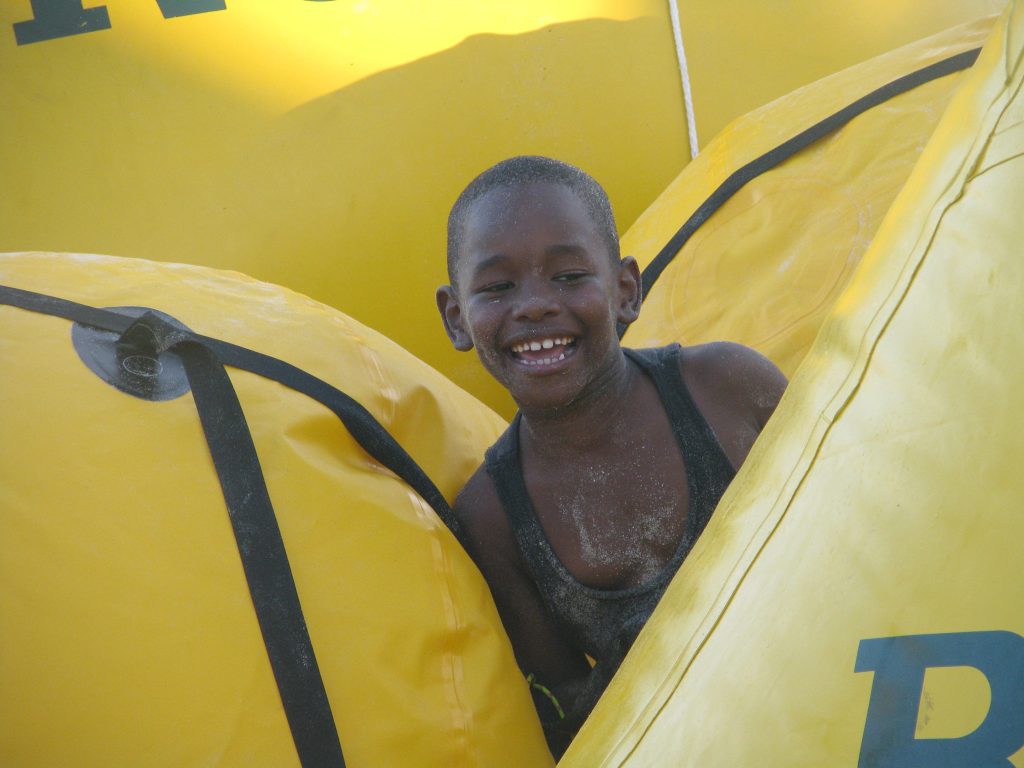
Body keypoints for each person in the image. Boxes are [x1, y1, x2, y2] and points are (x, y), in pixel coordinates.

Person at [435, 156, 787, 758]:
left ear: (626, 289)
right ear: (455, 317)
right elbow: (568, 707)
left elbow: (864, 515)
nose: (536, 306)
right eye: (497, 288)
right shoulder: (494, 513)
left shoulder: (726, 389)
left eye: (570, 276)